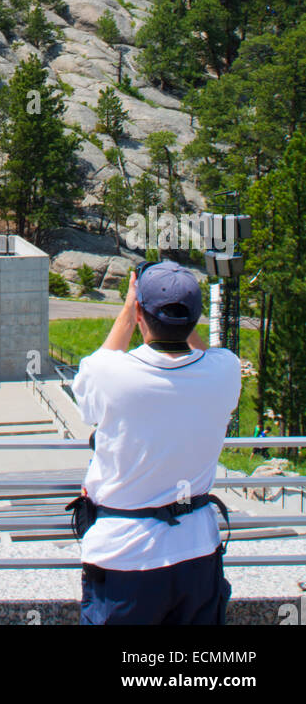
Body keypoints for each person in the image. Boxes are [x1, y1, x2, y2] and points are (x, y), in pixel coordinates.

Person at [71, 260, 241, 625]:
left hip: (125, 555)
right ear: (196, 318)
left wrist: (129, 310)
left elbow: (99, 367)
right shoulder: (225, 370)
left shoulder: (109, 373)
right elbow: (202, 352)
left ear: (138, 312)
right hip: (197, 551)